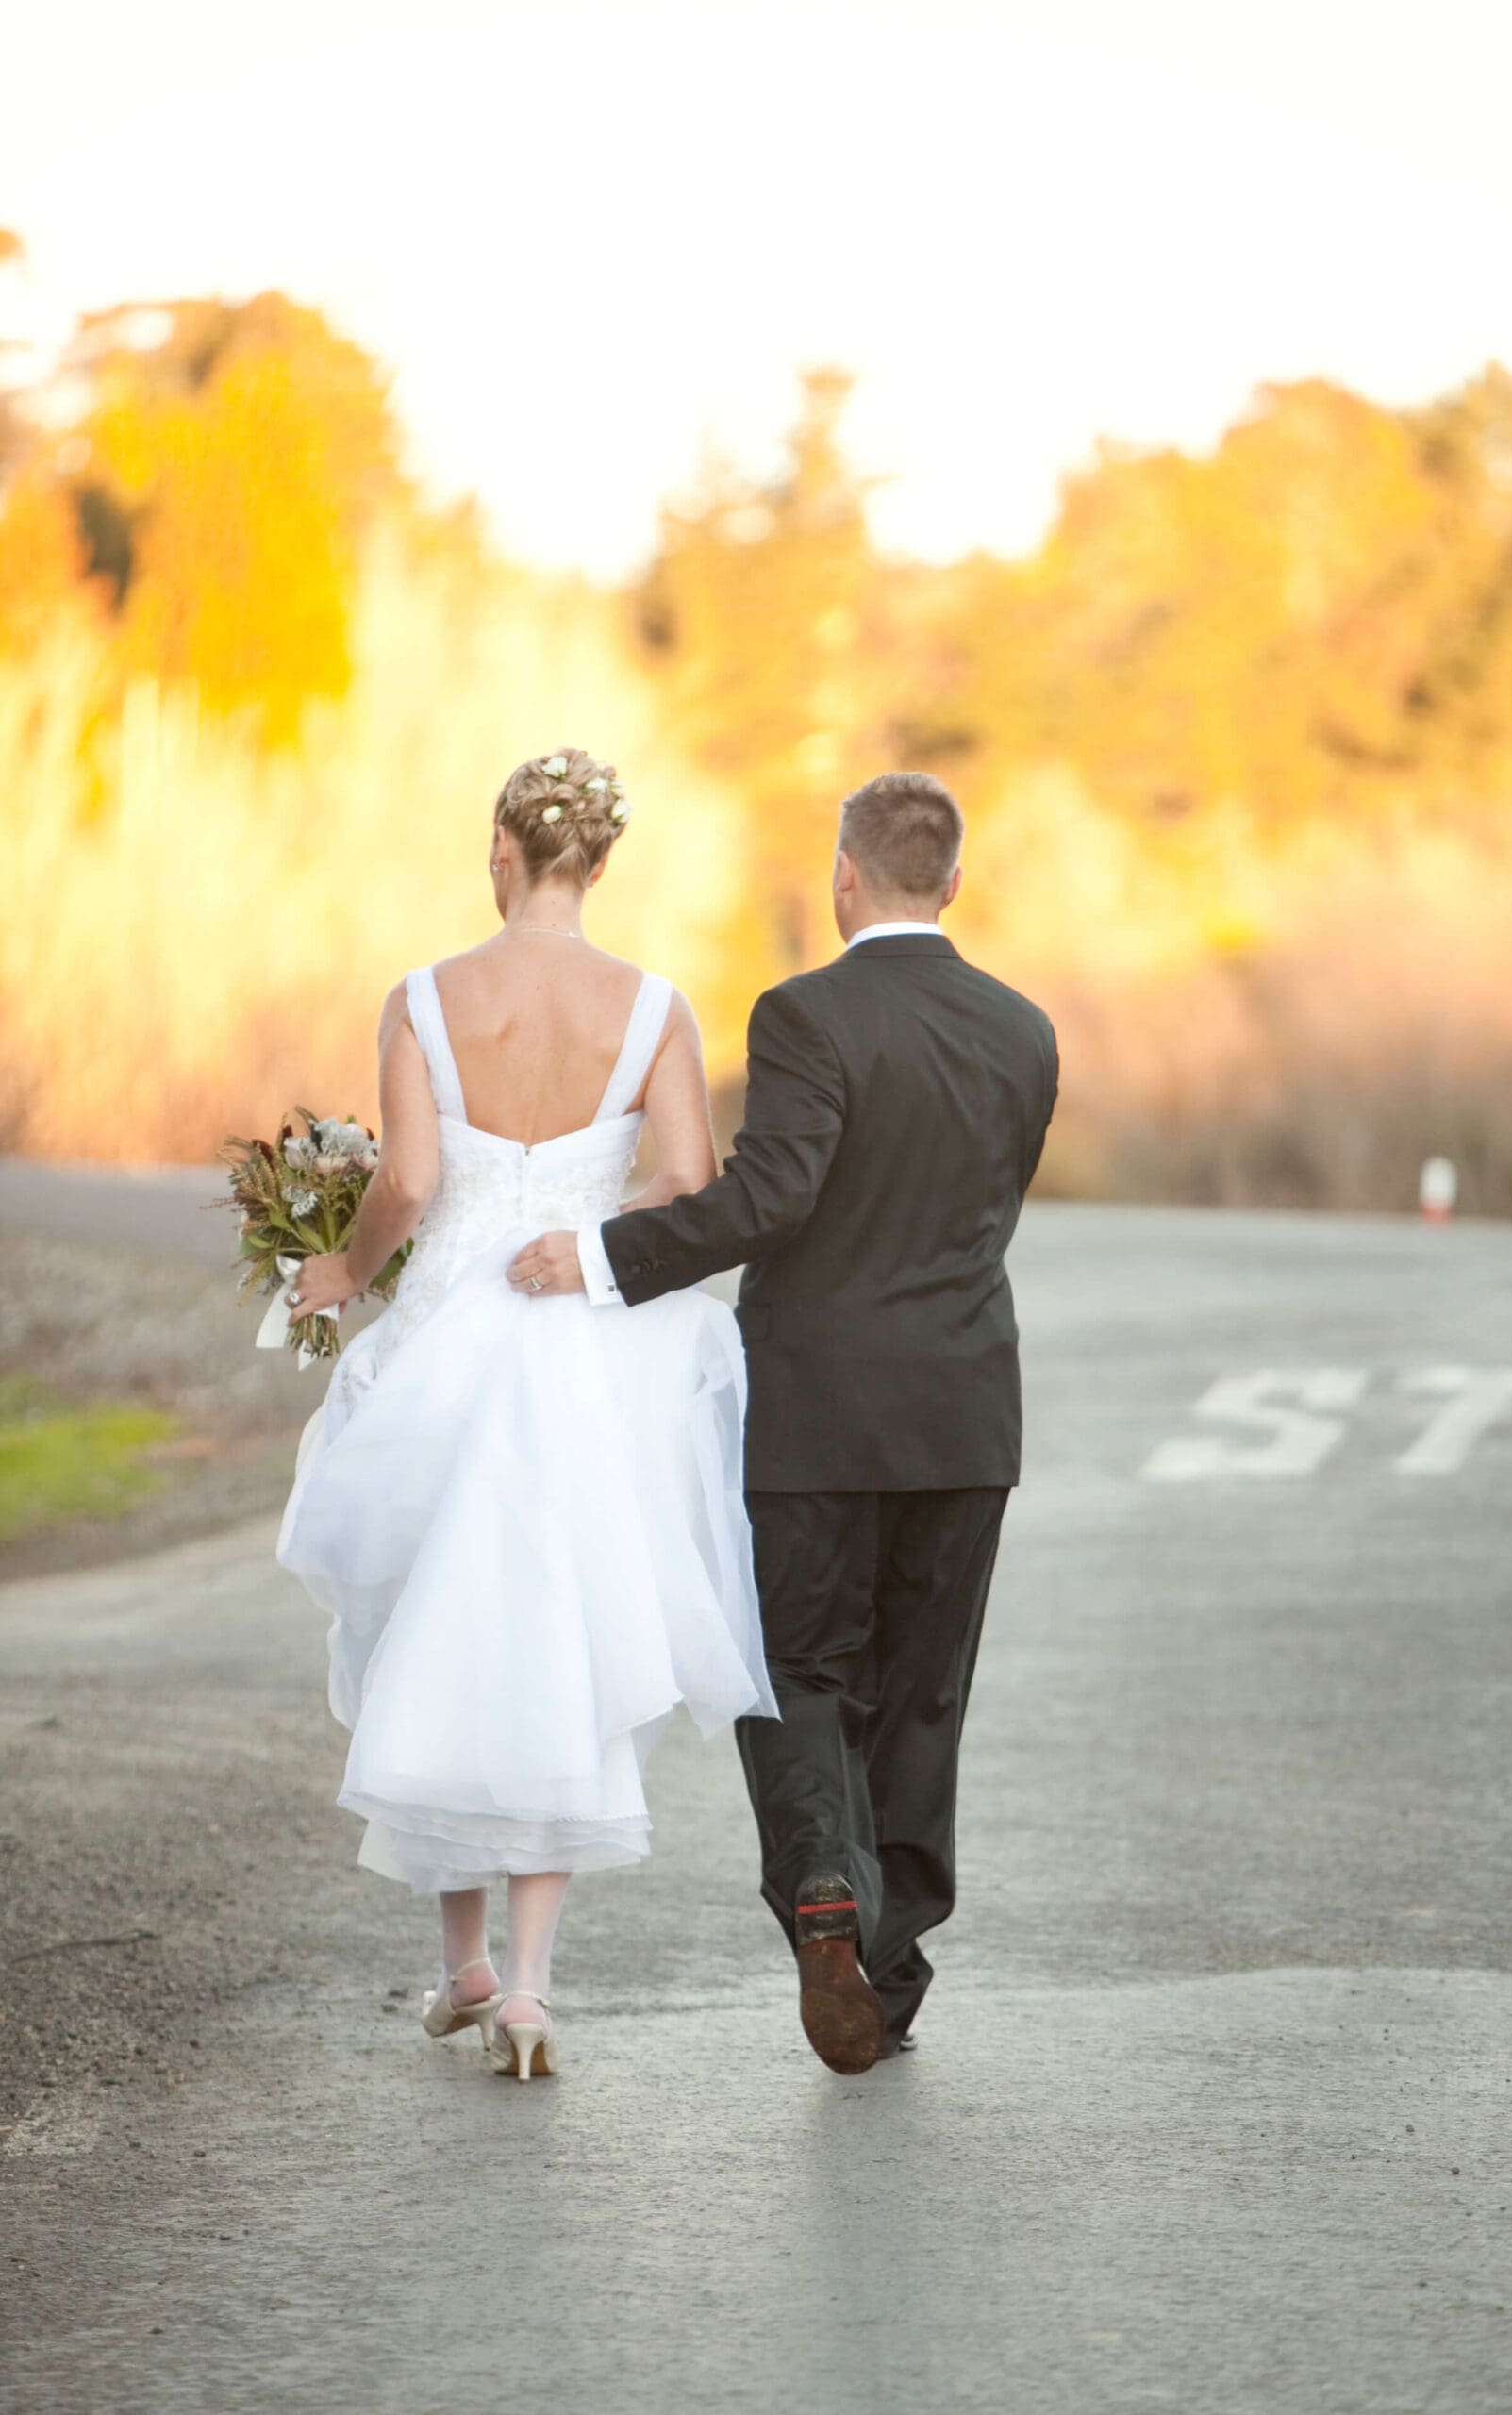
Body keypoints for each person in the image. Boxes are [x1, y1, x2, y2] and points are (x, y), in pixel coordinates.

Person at [511, 770, 1058, 2074]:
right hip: (967, 1417)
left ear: (846, 878)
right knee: (924, 1697)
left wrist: (596, 1256)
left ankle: (822, 1893)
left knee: (797, 1669)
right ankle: (894, 1965)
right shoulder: (1026, 1030)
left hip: (815, 1414)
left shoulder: (807, 1014)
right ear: (957, 883)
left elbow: (772, 1198)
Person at [277, 749, 775, 2082]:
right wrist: (582, 1227)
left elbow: (413, 1182)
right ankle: (533, 1994)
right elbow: (686, 1178)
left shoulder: (425, 999)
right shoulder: (658, 1005)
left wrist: (340, 1269)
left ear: (503, 848)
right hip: (583, 1353)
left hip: (450, 1342)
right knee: (560, 1638)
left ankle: (462, 1967)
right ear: (597, 865)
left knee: (433, 1621)